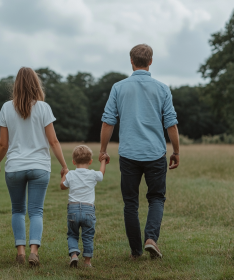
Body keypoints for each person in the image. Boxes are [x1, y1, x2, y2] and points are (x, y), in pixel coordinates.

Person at [99, 44, 180, 260]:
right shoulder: (162, 88)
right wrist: (176, 151)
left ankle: (135, 251)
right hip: (155, 153)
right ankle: (151, 239)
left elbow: (108, 121)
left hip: (129, 154)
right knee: (156, 198)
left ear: (131, 62)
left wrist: (103, 150)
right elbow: (171, 123)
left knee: (131, 203)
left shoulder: (118, 87)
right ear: (151, 61)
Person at [0, 67, 68, 266]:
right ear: (36, 84)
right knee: (36, 211)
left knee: (17, 210)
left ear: (16, 85)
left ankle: (20, 252)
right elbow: (53, 142)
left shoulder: (6, 108)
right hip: (39, 167)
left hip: (14, 167)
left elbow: (3, 144)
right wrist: (64, 165)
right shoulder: (44, 108)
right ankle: (34, 251)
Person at [60, 145, 106, 268]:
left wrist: (64, 174)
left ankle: (74, 255)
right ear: (90, 162)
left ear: (74, 162)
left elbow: (62, 186)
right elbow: (101, 174)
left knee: (72, 234)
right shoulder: (92, 174)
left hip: (73, 209)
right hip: (88, 210)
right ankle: (87, 262)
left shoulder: (71, 174)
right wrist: (103, 161)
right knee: (88, 236)